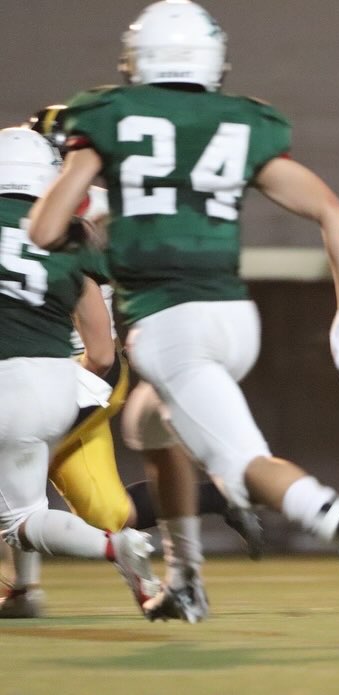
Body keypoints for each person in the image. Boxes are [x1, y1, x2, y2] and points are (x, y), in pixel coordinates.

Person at [29, 0, 339, 623]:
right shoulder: (241, 122)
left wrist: (84, 232)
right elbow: (330, 209)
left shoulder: (110, 115)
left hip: (172, 327)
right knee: (149, 427)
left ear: (139, 60)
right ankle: (186, 577)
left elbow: (43, 227)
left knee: (240, 468)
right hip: (233, 318)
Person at [0, 106, 265, 620]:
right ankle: (215, 502)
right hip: (71, 369)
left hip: (78, 366)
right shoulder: (82, 216)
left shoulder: (90, 209)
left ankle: (25, 588)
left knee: (21, 477)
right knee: (104, 510)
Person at [0, 126, 159, 615]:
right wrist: (74, 395)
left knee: (18, 518)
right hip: (55, 381)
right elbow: (102, 351)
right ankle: (115, 547)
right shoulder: (69, 234)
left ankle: (26, 590)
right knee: (24, 516)